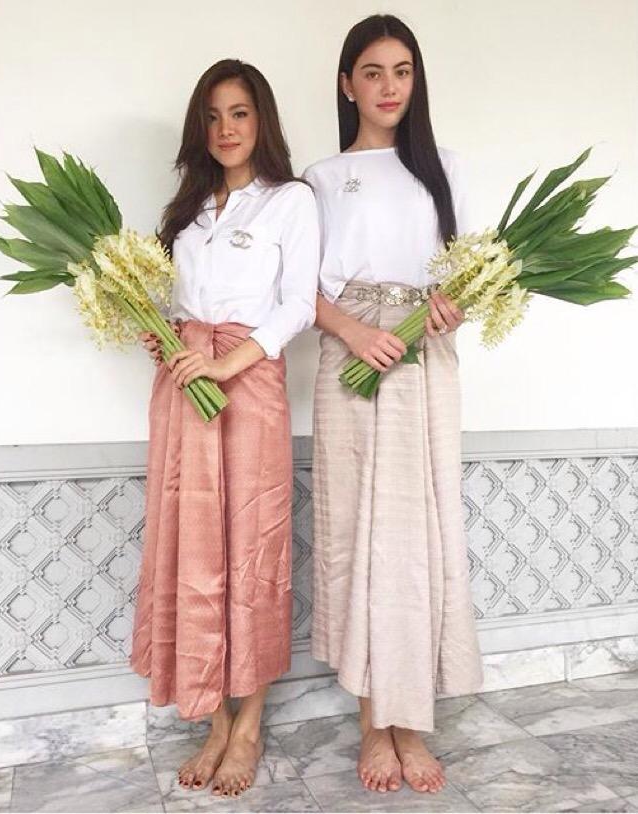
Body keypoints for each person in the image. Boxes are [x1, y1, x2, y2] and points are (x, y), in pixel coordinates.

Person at [304, 14, 484, 795]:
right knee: (355, 533)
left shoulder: (446, 168)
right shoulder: (320, 177)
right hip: (351, 355)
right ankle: (373, 721)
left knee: (418, 535)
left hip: (424, 360)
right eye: (372, 72)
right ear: (347, 84)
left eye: (402, 71)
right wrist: (353, 332)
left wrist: (448, 310)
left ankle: (411, 721)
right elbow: (299, 288)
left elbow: (470, 276)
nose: (389, 87)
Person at [130, 58, 319, 798]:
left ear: (261, 119)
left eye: (238, 113)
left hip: (250, 385)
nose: (225, 129)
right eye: (212, 116)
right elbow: (177, 304)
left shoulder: (289, 200)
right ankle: (213, 717)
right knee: (194, 547)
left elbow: (297, 305)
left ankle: (250, 723)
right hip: (186, 387)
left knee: (253, 545)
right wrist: (163, 335)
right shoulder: (187, 212)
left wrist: (225, 363)